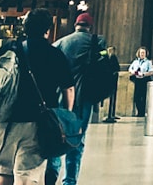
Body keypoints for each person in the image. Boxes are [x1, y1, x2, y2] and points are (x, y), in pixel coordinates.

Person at [0, 9, 77, 185]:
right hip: (38, 121)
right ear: (47, 30)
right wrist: (66, 115)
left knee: (3, 171)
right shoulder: (54, 54)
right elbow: (68, 88)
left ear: (25, 27)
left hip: (6, 118)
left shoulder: (9, 48)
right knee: (28, 172)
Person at [55, 12, 102, 183]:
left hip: (59, 98)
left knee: (56, 136)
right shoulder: (97, 42)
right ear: (90, 27)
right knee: (77, 139)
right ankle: (70, 180)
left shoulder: (60, 43)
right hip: (84, 98)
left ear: (75, 25)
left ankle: (51, 176)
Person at [129, 47, 153, 117]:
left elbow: (151, 72)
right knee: (137, 97)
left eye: (144, 53)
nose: (142, 54)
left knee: (143, 96)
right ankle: (139, 111)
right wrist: (133, 72)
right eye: (141, 53)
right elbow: (130, 69)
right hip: (137, 80)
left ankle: (142, 112)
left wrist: (144, 74)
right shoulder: (135, 62)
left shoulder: (148, 62)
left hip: (144, 80)